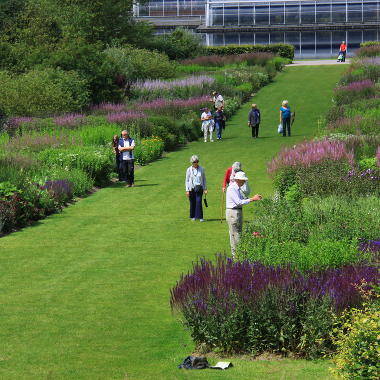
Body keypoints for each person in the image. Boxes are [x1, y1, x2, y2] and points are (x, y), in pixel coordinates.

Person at [226, 171, 262, 258]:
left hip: (236, 212)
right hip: (233, 212)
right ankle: (237, 256)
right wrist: (252, 199)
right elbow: (238, 202)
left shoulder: (237, 188)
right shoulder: (232, 188)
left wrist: (252, 197)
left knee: (236, 233)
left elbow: (242, 199)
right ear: (238, 180)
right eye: (243, 180)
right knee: (235, 234)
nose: (244, 182)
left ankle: (238, 255)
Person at [185, 155, 207, 222]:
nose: (196, 163)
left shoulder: (202, 169)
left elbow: (204, 179)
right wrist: (187, 190)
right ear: (192, 162)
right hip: (191, 188)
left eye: (197, 161)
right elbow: (187, 180)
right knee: (192, 202)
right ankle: (193, 216)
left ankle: (200, 217)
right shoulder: (189, 170)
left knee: (199, 201)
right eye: (194, 162)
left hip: (199, 188)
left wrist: (205, 188)